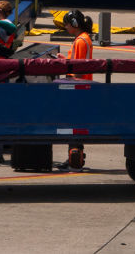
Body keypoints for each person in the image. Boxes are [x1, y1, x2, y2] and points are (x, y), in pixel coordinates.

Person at [59, 9, 93, 169]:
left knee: (73, 123)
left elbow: (79, 68)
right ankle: (74, 155)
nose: (65, 27)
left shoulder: (80, 41)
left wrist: (67, 75)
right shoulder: (83, 38)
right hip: (82, 86)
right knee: (75, 123)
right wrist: (65, 60)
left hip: (78, 87)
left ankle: (75, 156)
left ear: (74, 24)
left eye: (66, 24)